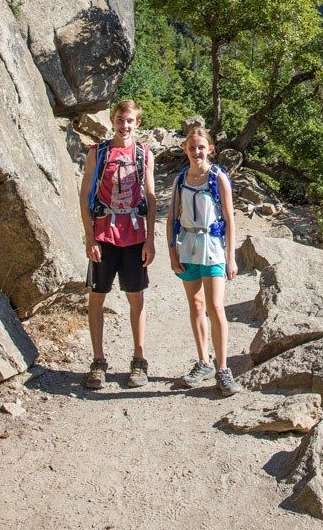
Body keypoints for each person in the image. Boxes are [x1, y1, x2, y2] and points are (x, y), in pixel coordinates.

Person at [79, 99, 156, 390]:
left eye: (131, 121)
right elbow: (85, 195)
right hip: (105, 236)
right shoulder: (97, 154)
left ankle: (139, 360)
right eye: (121, 120)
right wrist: (90, 237)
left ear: (138, 123)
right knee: (97, 296)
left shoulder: (144, 154)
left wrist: (151, 239)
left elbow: (150, 196)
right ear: (112, 120)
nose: (125, 126)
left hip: (135, 237)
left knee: (136, 297)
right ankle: (98, 362)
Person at [167, 126, 240, 396]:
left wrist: (231, 258)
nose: (197, 152)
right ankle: (204, 361)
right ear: (185, 149)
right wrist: (172, 252)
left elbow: (230, 219)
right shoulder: (180, 179)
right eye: (192, 147)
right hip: (188, 246)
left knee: (215, 306)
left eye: (201, 147)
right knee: (196, 305)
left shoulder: (218, 177)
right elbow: (172, 218)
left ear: (210, 149)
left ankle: (223, 368)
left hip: (212, 247)